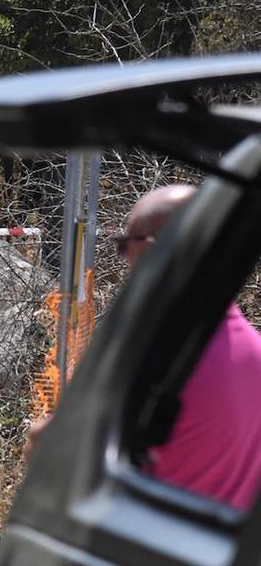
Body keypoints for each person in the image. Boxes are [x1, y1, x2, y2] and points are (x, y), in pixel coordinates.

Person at [94, 185, 259, 509]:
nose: (124, 258)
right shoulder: (254, 350)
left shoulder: (149, 356)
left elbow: (70, 462)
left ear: (160, 249)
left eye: (125, 245)